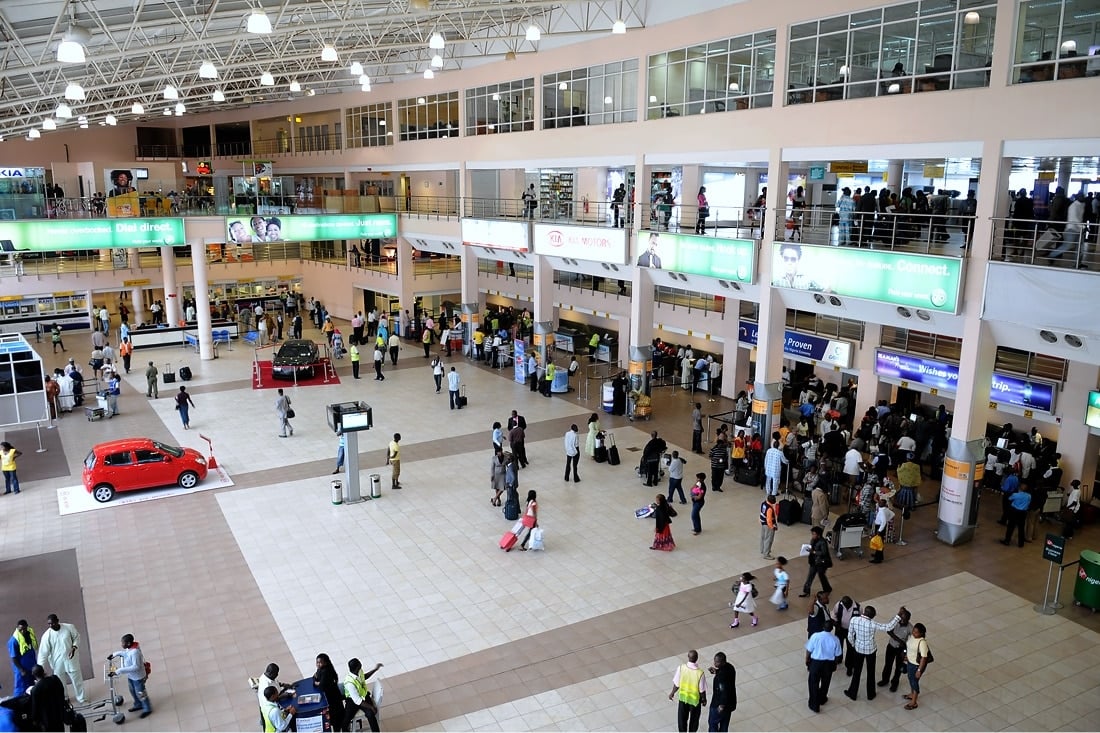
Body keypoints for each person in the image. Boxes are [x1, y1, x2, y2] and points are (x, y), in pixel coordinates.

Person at [845, 605, 905, 702]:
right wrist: (898, 615)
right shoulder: (872, 624)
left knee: (857, 671)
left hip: (858, 649)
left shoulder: (854, 620)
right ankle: (871, 694)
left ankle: (852, 693)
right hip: (870, 651)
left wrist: (853, 644)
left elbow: (850, 635)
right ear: (872, 616)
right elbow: (888, 627)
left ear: (864, 612)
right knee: (871, 672)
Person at [37, 614, 84, 704]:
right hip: (57, 663)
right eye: (49, 624)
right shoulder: (47, 636)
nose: (51, 626)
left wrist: (74, 648)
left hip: (71, 660)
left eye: (53, 623)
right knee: (60, 683)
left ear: (57, 621)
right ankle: (65, 698)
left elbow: (76, 637)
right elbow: (43, 653)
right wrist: (40, 670)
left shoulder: (69, 627)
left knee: (77, 680)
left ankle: (81, 698)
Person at [805, 619, 844, 713]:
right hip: (828, 664)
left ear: (823, 627)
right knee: (825, 682)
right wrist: (834, 664)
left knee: (813, 683)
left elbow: (809, 650)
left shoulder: (815, 636)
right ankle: (822, 699)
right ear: (832, 629)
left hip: (816, 663)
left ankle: (814, 705)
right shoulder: (835, 639)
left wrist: (807, 659)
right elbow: (838, 654)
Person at [110, 633, 151, 718]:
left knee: (141, 693)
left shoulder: (135, 652)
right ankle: (138, 704)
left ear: (128, 643)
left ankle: (147, 709)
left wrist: (119, 671)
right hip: (131, 676)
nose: (121, 645)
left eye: (123, 643)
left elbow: (136, 667)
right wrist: (115, 654)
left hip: (138, 677)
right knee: (133, 691)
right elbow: (125, 654)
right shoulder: (130, 649)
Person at [669, 650, 707, 733]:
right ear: (697, 658)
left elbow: (677, 684)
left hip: (683, 698)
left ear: (688, 657)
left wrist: (672, 693)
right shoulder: (700, 673)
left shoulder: (681, 668)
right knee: (694, 720)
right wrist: (704, 700)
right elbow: (702, 690)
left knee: (682, 719)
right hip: (695, 701)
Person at [342, 658, 383, 732]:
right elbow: (357, 701)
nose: (361, 665)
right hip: (352, 700)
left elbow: (365, 676)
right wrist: (371, 706)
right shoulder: (350, 683)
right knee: (345, 722)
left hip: (363, 696)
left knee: (370, 714)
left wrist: (375, 669)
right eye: (360, 664)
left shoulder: (359, 671)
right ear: (356, 668)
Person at [878, 607, 912, 692]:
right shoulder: (894, 620)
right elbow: (888, 631)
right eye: (902, 619)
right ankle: (885, 680)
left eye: (905, 620)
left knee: (899, 667)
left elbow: (912, 640)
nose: (903, 622)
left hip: (901, 649)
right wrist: (899, 640)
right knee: (888, 664)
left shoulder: (910, 627)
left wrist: (905, 650)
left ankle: (895, 683)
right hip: (891, 646)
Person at [29, 665, 67, 733]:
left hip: (47, 719)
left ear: (33, 675)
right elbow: (61, 691)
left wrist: (34, 720)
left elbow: (35, 707)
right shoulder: (54, 679)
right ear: (43, 671)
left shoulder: (35, 690)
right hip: (59, 714)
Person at [313, 654, 345, 731]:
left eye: (320, 662)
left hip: (333, 699)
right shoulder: (321, 669)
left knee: (336, 719)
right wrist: (317, 682)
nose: (318, 664)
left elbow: (321, 686)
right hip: (330, 696)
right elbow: (315, 676)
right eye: (317, 662)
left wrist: (317, 683)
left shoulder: (326, 672)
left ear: (325, 663)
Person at [903, 622, 931, 710]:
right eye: (913, 631)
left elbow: (923, 658)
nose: (914, 633)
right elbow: (910, 647)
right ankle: (912, 695)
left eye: (916, 632)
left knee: (914, 682)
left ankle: (914, 702)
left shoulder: (922, 643)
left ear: (921, 633)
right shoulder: (912, 637)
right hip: (910, 662)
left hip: (916, 666)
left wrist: (919, 670)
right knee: (910, 679)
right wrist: (907, 656)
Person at [799, 526, 833, 597]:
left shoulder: (823, 542)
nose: (812, 536)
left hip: (821, 563)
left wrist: (813, 552)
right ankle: (806, 591)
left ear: (818, 535)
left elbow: (824, 553)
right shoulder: (813, 540)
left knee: (822, 576)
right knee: (810, 576)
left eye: (814, 534)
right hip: (813, 561)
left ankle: (827, 589)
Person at [832, 595, 862, 676]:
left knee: (850, 648)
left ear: (850, 603)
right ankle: (838, 658)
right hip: (840, 629)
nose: (844, 606)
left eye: (846, 605)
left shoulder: (858, 607)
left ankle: (849, 666)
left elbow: (860, 619)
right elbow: (834, 615)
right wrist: (836, 623)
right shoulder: (839, 605)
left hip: (851, 631)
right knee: (838, 645)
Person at [707, 652, 736, 732]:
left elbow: (723, 690)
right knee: (724, 725)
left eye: (717, 662)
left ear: (723, 662)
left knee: (713, 723)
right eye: (714, 661)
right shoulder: (730, 668)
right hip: (730, 704)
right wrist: (717, 671)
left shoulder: (721, 677)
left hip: (718, 704)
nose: (715, 663)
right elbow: (727, 680)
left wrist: (722, 705)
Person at [9, 619, 37, 696]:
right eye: (20, 630)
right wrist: (21, 670)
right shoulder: (13, 641)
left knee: (32, 687)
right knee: (21, 688)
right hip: (22, 669)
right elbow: (13, 658)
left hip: (31, 667)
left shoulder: (29, 636)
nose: (22, 631)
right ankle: (18, 705)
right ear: (17, 628)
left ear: (27, 627)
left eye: (24, 629)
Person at [1001, 479, 1031, 547]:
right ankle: (1021, 543)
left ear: (1019, 487)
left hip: (1015, 512)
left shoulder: (1016, 495)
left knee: (1010, 527)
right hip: (1023, 513)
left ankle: (1007, 541)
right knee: (1021, 528)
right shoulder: (1029, 496)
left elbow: (1009, 499)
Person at [870, 499, 895, 563]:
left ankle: (877, 559)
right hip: (881, 527)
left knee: (879, 543)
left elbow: (883, 522)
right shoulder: (885, 509)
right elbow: (892, 514)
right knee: (880, 542)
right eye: (879, 502)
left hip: (879, 527)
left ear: (884, 504)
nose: (879, 503)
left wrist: (879, 530)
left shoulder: (882, 512)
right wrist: (888, 519)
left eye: (881, 503)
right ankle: (879, 555)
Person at [759, 494, 778, 560]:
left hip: (763, 523)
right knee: (768, 539)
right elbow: (769, 520)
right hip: (768, 526)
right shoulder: (769, 508)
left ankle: (762, 550)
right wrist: (772, 527)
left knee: (763, 537)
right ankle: (766, 554)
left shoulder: (763, 503)